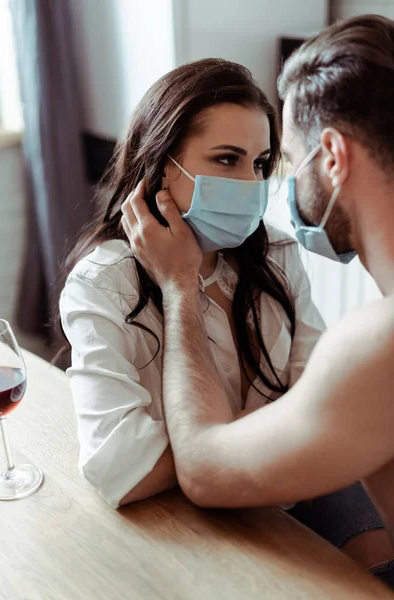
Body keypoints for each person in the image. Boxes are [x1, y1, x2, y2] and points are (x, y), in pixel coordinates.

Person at [120, 15, 394, 585]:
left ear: (334, 156)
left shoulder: (376, 346)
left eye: (281, 161)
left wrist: (178, 287)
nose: (268, 187)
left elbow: (201, 467)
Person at [59, 58, 324, 510]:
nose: (251, 183)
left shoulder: (277, 253)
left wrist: (210, 449)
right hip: (193, 522)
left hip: (298, 496)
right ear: (161, 167)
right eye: (226, 159)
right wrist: (179, 284)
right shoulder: (102, 284)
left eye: (261, 163)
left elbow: (321, 404)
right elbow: (122, 468)